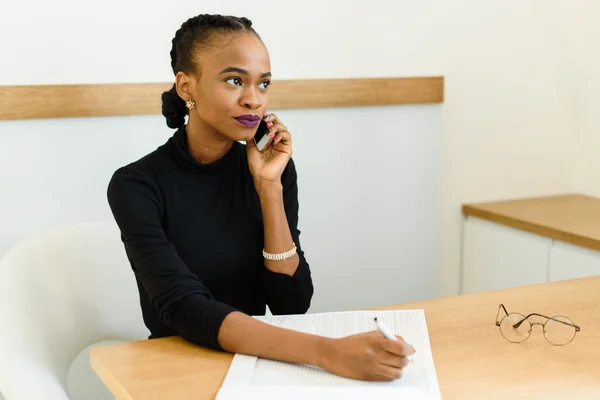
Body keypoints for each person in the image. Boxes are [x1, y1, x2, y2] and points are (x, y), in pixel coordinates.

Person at [107, 13, 415, 381]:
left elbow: (292, 302)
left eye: (264, 83)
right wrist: (325, 352)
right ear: (186, 87)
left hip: (256, 361)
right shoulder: (137, 184)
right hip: (177, 368)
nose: (254, 100)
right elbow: (184, 308)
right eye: (235, 80)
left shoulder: (273, 169)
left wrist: (268, 187)